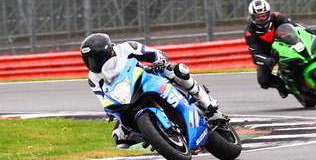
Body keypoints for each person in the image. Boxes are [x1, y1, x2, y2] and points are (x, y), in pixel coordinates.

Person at [80, 32, 220, 148]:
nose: (94, 63)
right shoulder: (93, 78)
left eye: (97, 58)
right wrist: (110, 112)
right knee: (120, 138)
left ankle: (206, 101)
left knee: (177, 70)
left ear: (108, 50)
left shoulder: (127, 48)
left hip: (148, 78)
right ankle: (155, 136)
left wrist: (159, 62)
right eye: (89, 60)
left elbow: (156, 54)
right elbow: (103, 100)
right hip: (126, 97)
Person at [244, 0, 316, 98]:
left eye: (263, 16)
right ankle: (281, 85)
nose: (262, 19)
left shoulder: (276, 16)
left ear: (268, 13)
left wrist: (308, 29)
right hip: (267, 53)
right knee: (263, 80)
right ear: (252, 17)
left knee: (311, 47)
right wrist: (267, 60)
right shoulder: (249, 32)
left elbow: (292, 24)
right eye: (258, 17)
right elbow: (255, 54)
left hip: (284, 42)